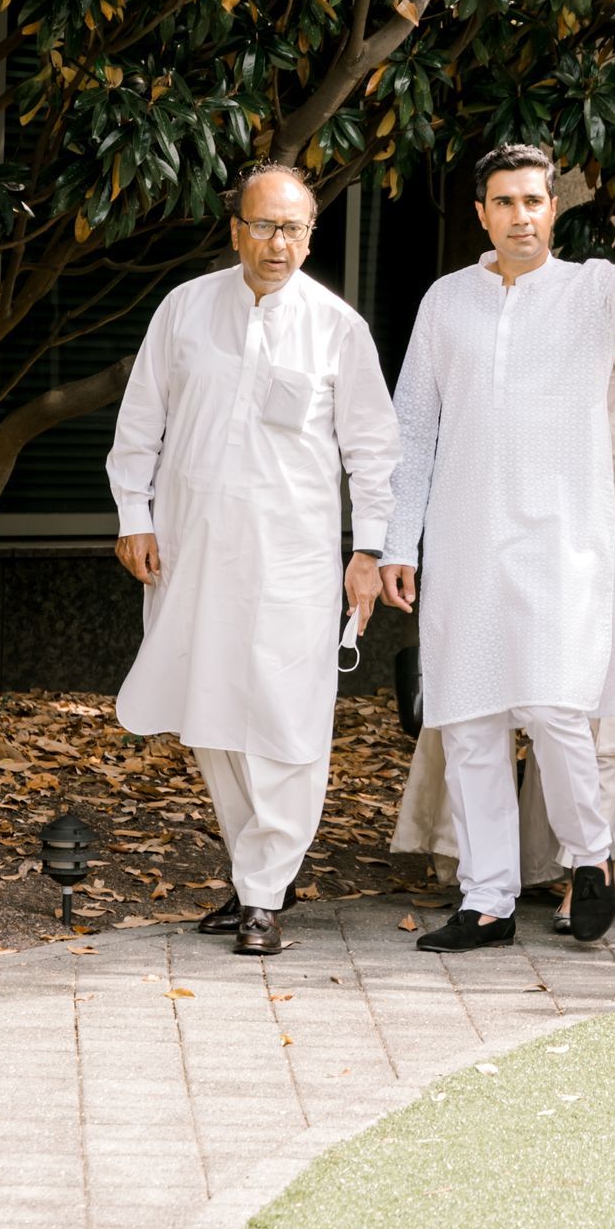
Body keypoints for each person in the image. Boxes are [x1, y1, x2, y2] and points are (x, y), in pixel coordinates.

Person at [378, 100, 615, 951]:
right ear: (482, 214)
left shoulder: (594, 290)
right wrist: (397, 543)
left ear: (552, 207)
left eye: (534, 200)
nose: (521, 215)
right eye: (505, 202)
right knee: (472, 723)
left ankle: (589, 858)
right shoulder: (447, 302)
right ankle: (486, 902)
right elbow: (413, 424)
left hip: (563, 542)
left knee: (558, 711)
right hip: (463, 541)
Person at [108, 161, 398, 958]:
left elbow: (375, 453)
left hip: (293, 564)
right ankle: (257, 880)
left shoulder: (338, 328)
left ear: (311, 235)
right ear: (236, 229)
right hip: (192, 552)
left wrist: (367, 550)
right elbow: (141, 422)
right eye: (265, 226)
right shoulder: (185, 309)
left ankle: (264, 891)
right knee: (211, 718)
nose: (279, 243)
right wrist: (134, 515)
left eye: (295, 228)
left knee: (285, 722)